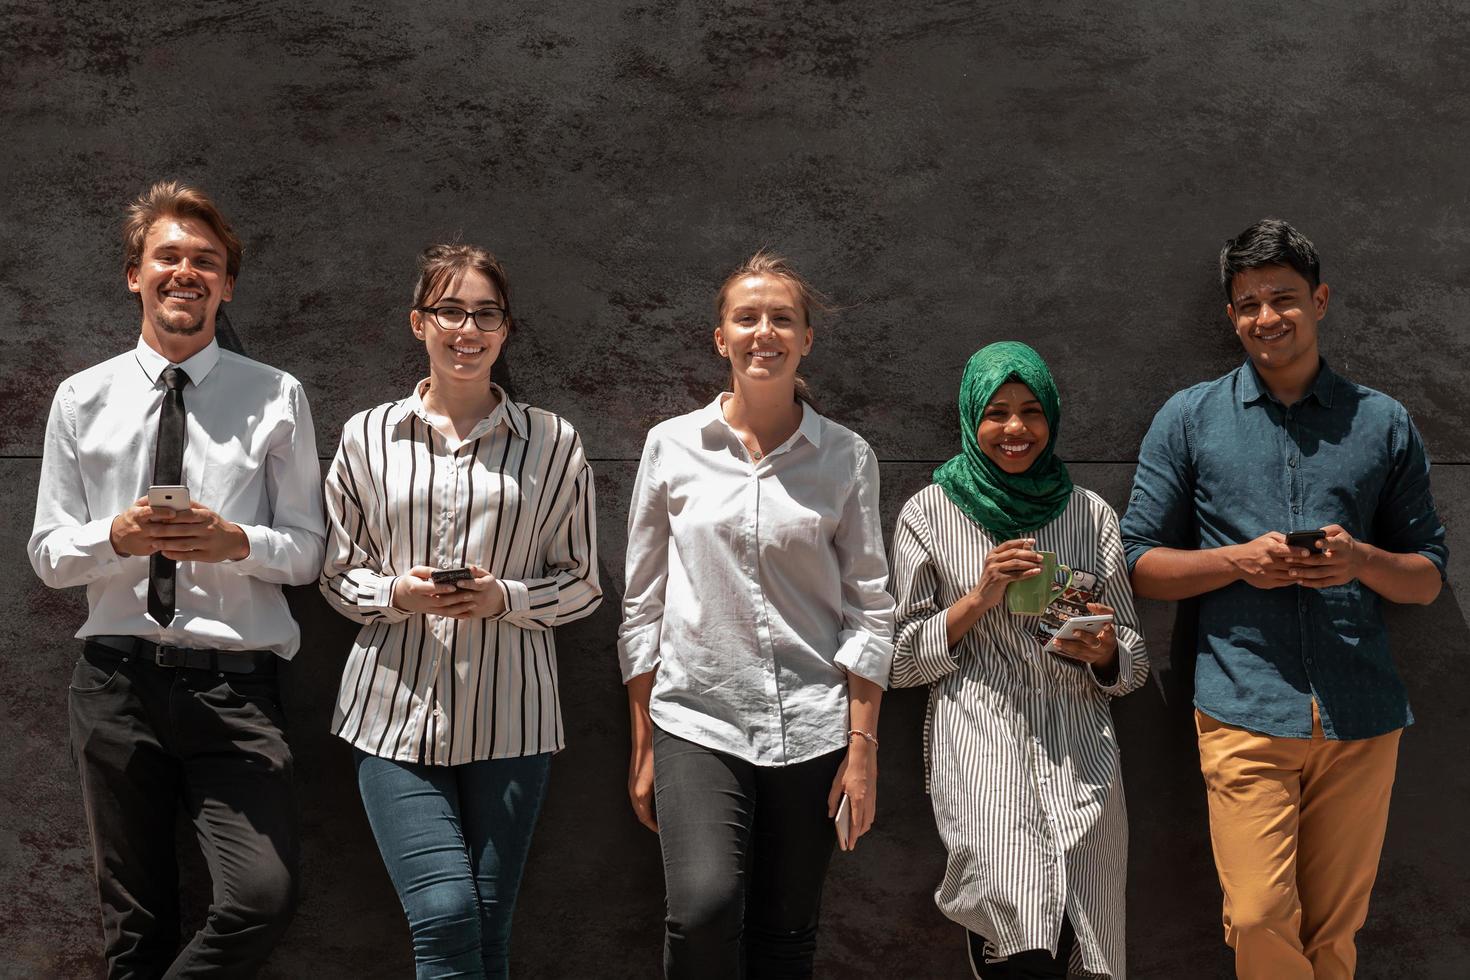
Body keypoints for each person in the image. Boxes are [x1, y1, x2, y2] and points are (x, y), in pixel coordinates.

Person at [1121, 218, 1448, 980]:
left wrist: (1361, 560)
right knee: (1261, 915)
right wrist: (1239, 561)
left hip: (1361, 712)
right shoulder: (1191, 417)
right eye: (1247, 304)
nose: (1266, 317)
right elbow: (1137, 563)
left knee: (1335, 938)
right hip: (1242, 707)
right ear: (1231, 316)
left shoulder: (1381, 421)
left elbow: (1427, 576)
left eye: (1283, 298)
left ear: (1321, 300)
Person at [28, 180, 326, 976]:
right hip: (114, 685)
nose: (185, 272)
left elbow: (308, 552)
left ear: (227, 283)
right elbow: (50, 556)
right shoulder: (80, 399)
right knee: (135, 926)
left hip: (234, 690)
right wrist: (116, 535)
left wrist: (235, 542)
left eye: (206, 260)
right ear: (136, 274)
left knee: (262, 895)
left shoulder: (276, 395)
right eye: (168, 256)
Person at [319, 243, 600, 979]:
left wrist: (505, 597)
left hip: (514, 718)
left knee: (487, 924)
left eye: (486, 313)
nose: (466, 329)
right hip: (392, 715)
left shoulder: (554, 441)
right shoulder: (366, 436)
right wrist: (397, 594)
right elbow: (339, 574)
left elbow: (583, 582)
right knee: (444, 913)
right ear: (420, 322)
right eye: (450, 310)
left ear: (506, 330)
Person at [618, 251, 894, 978]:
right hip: (697, 720)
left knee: (786, 931)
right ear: (721, 338)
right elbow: (642, 604)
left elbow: (871, 609)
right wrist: (643, 739)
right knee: (704, 911)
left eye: (782, 319)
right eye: (747, 318)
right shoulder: (671, 447)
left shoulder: (845, 457)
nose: (763, 332)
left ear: (807, 339)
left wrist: (861, 748)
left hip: (812, 727)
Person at [888, 341, 1148, 979]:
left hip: (1080, 751)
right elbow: (896, 661)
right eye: (996, 412)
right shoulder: (930, 512)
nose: (1015, 429)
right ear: (971, 419)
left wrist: (1106, 650)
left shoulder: (1089, 514)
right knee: (1016, 935)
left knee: (1082, 943)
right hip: (983, 742)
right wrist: (980, 596)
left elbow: (1134, 664)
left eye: (1031, 411)